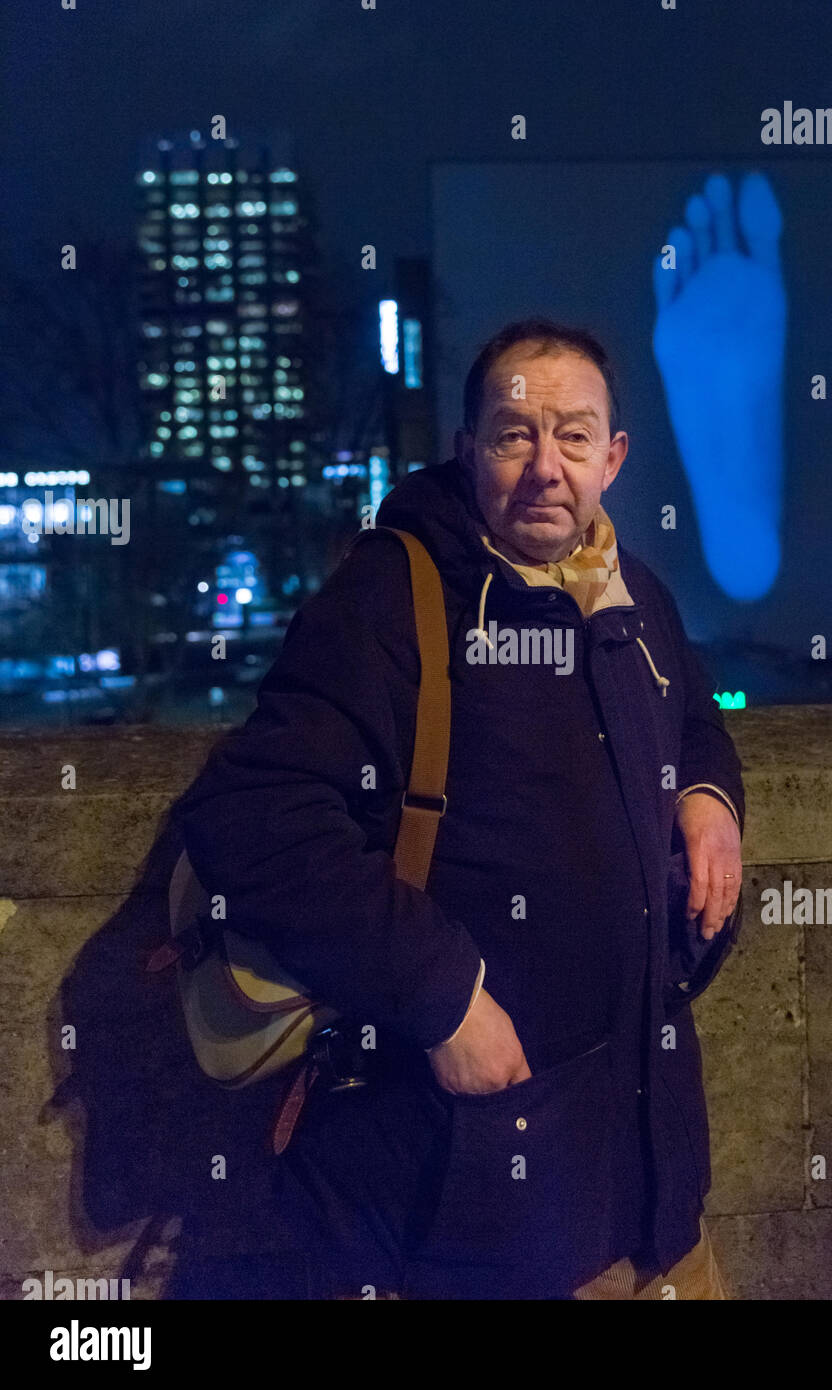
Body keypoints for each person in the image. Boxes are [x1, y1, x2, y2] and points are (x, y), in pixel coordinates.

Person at [176, 318, 746, 1300]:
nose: (542, 467)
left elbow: (694, 718)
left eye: (572, 436)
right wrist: (441, 996)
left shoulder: (635, 598)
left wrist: (706, 797)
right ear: (466, 450)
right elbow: (255, 813)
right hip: (467, 1198)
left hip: (650, 1183)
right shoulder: (392, 596)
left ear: (611, 457)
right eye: (512, 435)